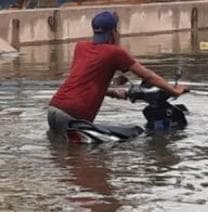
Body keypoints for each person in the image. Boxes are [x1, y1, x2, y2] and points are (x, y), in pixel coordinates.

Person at [47, 11, 188, 134]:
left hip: (54, 110)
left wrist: (112, 93)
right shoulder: (115, 52)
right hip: (73, 115)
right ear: (114, 32)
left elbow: (81, 81)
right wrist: (174, 91)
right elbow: (148, 75)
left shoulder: (80, 47)